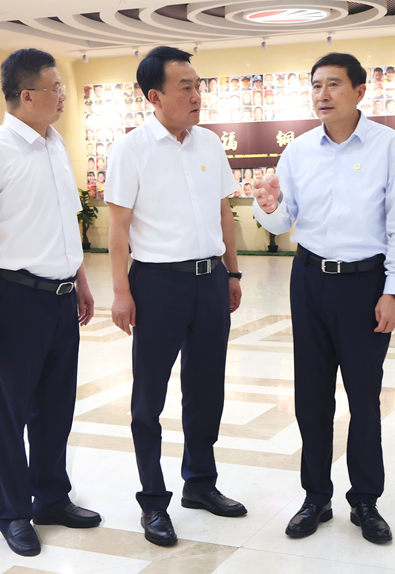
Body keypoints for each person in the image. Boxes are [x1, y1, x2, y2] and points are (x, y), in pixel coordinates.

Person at [253, 52, 395, 545]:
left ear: (359, 91)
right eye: (315, 86)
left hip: (365, 284)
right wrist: (268, 207)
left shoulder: (389, 146)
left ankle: (365, 500)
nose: (321, 95)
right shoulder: (298, 150)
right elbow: (284, 220)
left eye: (332, 85)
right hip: (309, 279)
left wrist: (393, 290)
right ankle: (315, 496)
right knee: (311, 396)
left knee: (364, 398)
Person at [0, 48, 100, 558]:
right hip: (15, 298)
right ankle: (14, 512)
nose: (63, 96)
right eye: (55, 88)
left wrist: (80, 279)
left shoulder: (54, 145)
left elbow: (61, 223)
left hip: (61, 297)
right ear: (27, 95)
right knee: (12, 412)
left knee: (56, 408)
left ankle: (52, 498)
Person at [105, 46, 246, 549]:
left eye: (198, 85)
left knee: (206, 390)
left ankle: (200, 484)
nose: (196, 95)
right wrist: (121, 292)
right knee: (149, 398)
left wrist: (232, 272)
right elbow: (117, 229)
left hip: (209, 281)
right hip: (157, 285)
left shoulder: (209, 143)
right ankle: (153, 500)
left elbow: (224, 213)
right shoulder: (131, 149)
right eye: (185, 87)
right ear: (155, 96)